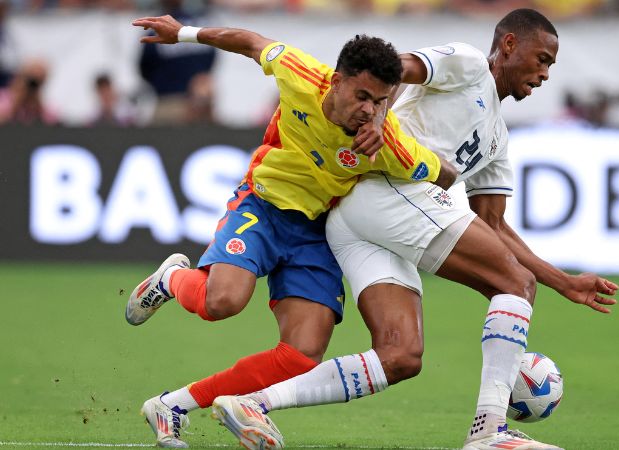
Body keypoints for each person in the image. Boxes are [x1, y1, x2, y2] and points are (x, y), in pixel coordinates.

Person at [212, 9, 618, 450]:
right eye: (541, 59)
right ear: (508, 46)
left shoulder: (497, 140)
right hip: (391, 188)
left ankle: (251, 403)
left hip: (358, 219)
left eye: (551, 67)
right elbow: (397, 66)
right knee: (514, 284)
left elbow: (494, 225)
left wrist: (563, 282)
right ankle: (489, 432)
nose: (544, 74)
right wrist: (380, 118)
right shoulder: (466, 63)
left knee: (401, 356)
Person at [127, 14, 458, 448]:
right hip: (263, 205)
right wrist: (184, 33)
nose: (368, 110)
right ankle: (172, 278)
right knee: (222, 300)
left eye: (379, 101)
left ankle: (172, 406)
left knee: (302, 356)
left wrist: (396, 135)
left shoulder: (385, 142)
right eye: (362, 97)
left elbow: (446, 175)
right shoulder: (301, 72)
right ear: (336, 82)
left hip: (317, 233)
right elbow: (248, 40)